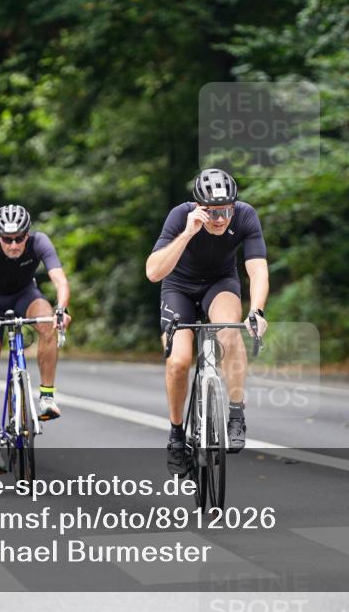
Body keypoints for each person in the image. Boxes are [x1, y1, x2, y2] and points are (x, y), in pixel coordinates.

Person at [145, 168, 269, 475]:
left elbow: (257, 270)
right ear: (199, 207)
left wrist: (256, 311)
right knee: (178, 362)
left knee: (230, 332)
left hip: (220, 284)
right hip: (179, 288)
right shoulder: (179, 216)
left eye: (226, 210)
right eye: (212, 213)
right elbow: (153, 272)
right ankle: (176, 436)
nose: (219, 219)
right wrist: (187, 233)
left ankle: (236, 413)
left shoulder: (245, 216)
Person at [0, 204, 72, 474]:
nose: (13, 245)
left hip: (25, 295)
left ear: (27, 235)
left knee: (47, 325)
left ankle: (46, 396)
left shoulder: (40, 241)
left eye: (19, 238)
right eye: (7, 239)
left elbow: (60, 281)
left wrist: (61, 309)